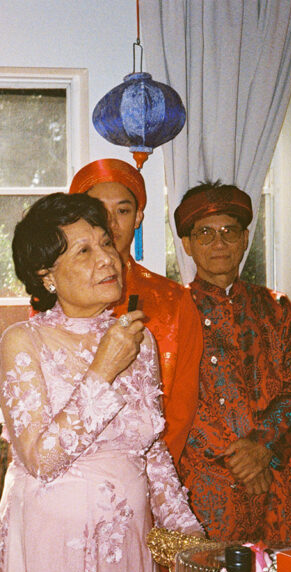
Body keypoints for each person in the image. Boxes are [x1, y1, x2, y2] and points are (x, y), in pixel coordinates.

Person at [0, 193, 202, 572]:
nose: (108, 259)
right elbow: (40, 458)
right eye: (84, 251)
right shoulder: (23, 340)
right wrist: (103, 367)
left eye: (106, 244)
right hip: (56, 544)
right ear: (46, 275)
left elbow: (151, 451)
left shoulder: (137, 340)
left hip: (128, 541)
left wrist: (190, 540)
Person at [174, 181, 291, 543]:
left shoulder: (277, 309)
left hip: (274, 477)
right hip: (204, 484)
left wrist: (263, 447)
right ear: (187, 245)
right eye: (204, 233)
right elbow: (168, 398)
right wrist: (239, 459)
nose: (219, 243)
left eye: (229, 231)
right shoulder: (172, 314)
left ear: (245, 239)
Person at [70, 159, 203, 462]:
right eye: (97, 210)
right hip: (69, 472)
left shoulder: (173, 302)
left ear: (139, 217)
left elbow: (180, 410)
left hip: (146, 475)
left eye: (123, 210)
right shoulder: (54, 298)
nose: (110, 223)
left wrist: (146, 478)